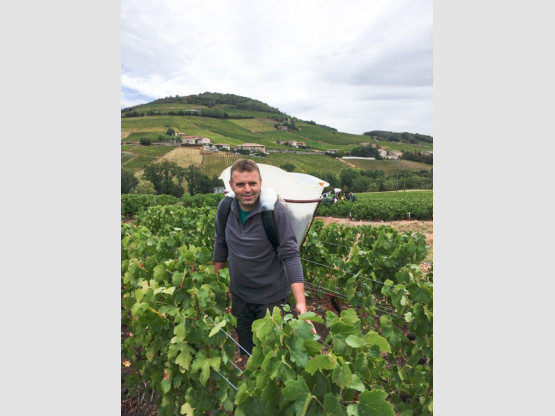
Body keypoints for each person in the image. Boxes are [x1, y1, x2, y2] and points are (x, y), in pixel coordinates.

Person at [213, 159, 315, 357]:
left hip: (271, 302)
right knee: (247, 353)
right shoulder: (225, 209)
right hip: (240, 298)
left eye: (252, 183)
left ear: (261, 182)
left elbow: (290, 255)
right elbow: (220, 244)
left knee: (271, 355)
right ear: (231, 186)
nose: (247, 189)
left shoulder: (276, 212)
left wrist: (301, 305)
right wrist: (215, 288)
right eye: (241, 184)